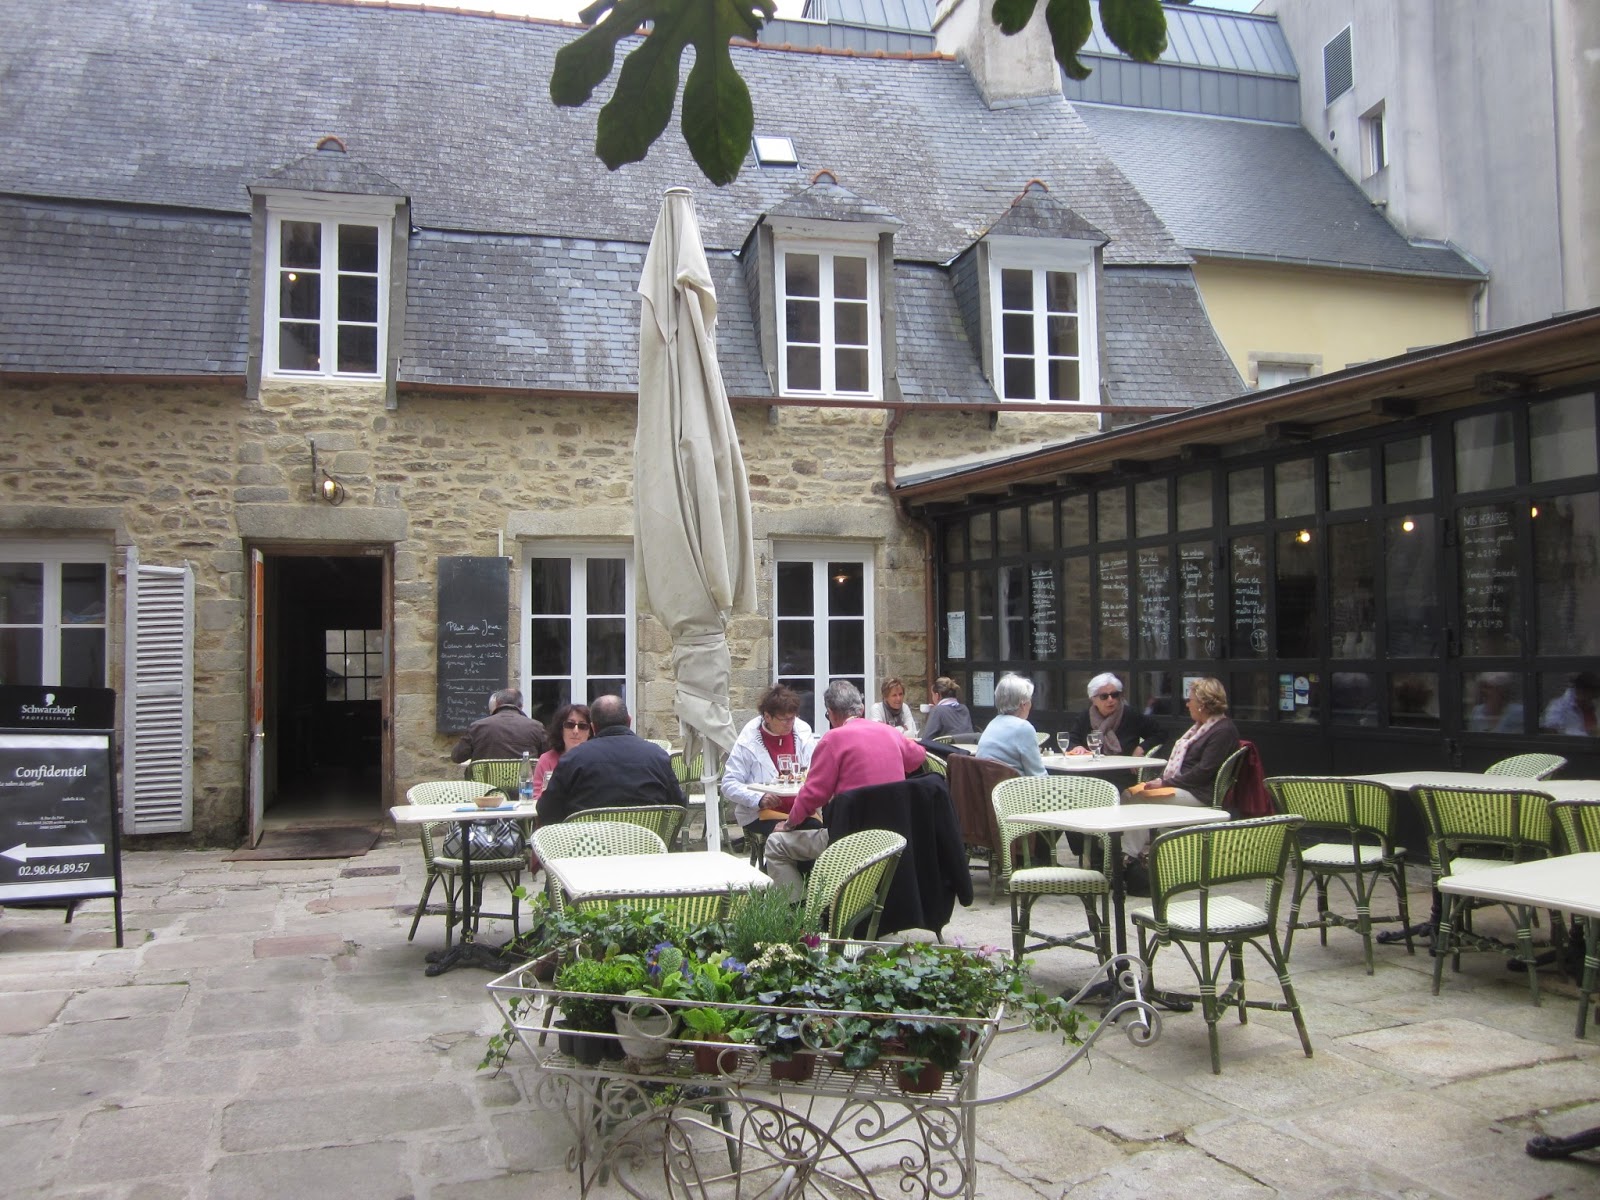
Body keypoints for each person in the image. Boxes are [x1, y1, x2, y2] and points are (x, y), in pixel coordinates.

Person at [764, 680, 927, 899]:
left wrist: (790, 823)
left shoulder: (833, 739)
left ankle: (800, 914)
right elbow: (918, 757)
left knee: (776, 845)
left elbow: (813, 794)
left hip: (849, 840)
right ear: (860, 709)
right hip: (893, 838)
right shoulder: (889, 732)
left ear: (831, 713)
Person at [1121, 677, 1241, 871]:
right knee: (1128, 794)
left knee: (1140, 799)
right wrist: (1165, 781)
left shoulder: (1222, 731)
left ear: (1202, 704)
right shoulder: (1201, 728)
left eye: (1190, 700)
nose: (1187, 704)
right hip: (1186, 787)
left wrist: (1166, 783)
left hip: (1201, 793)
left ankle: (1126, 858)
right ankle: (1114, 852)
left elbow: (1203, 772)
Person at [535, 694, 685, 825]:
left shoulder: (573, 759)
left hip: (587, 850)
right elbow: (678, 806)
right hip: (647, 850)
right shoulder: (657, 756)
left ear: (593, 727)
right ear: (629, 721)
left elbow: (547, 812)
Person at [722, 684, 819, 839]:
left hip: (800, 809)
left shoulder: (802, 732)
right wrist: (759, 799)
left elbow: (814, 770)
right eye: (784, 720)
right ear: (767, 717)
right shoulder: (748, 740)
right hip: (761, 813)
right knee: (788, 836)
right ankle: (776, 862)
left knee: (818, 834)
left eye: (792, 718)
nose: (790, 723)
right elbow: (729, 784)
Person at [1063, 673, 1160, 756]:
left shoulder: (1131, 715)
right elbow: (1071, 740)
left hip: (1124, 770)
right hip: (1092, 770)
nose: (1110, 700)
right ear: (1093, 699)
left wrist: (1141, 748)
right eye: (1104, 696)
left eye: (1114, 695)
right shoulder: (1085, 717)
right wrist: (1077, 747)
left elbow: (1159, 733)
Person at [449, 687, 547, 764]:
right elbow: (550, 755)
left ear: (496, 704)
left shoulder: (477, 727)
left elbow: (457, 757)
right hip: (524, 786)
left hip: (486, 786)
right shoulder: (536, 727)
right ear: (521, 706)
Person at [975, 673, 1045, 777]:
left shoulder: (993, 724)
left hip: (987, 788)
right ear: (1023, 705)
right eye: (1030, 700)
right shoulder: (1023, 727)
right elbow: (1038, 775)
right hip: (1013, 790)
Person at [530, 701, 591, 800]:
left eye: (582, 726)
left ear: (590, 732)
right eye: (570, 725)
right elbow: (536, 797)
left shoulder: (597, 759)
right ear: (561, 729)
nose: (575, 731)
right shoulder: (546, 759)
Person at [1540, 670, 1599, 736]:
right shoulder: (1557, 708)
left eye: (1594, 698)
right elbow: (1551, 733)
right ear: (1580, 691)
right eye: (1589, 698)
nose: (1591, 702)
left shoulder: (1593, 707)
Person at [920, 676, 973, 741]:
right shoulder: (964, 709)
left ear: (937, 696)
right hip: (967, 749)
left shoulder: (937, 710)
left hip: (947, 750)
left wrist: (934, 712)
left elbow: (926, 739)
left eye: (932, 695)